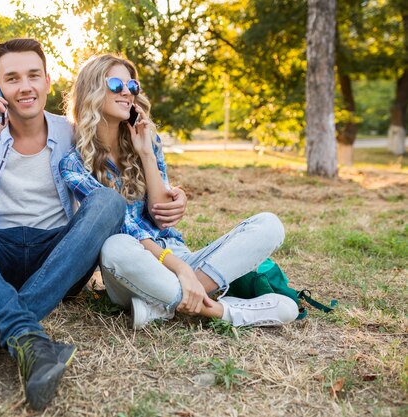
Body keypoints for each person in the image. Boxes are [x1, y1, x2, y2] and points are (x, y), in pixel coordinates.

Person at [0, 40, 187, 410]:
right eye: (12, 79)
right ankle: (26, 337)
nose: (24, 86)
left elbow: (127, 175)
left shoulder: (76, 132)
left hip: (60, 259)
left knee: (108, 201)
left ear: (47, 81)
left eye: (33, 75)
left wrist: (174, 193)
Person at [60, 54, 300, 331]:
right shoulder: (74, 163)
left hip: (176, 253)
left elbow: (162, 219)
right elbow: (123, 232)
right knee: (114, 247)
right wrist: (181, 270)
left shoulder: (146, 141)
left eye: (132, 86)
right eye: (116, 84)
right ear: (91, 91)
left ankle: (166, 305)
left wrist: (146, 152)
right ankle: (212, 306)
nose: (128, 92)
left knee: (269, 224)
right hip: (133, 268)